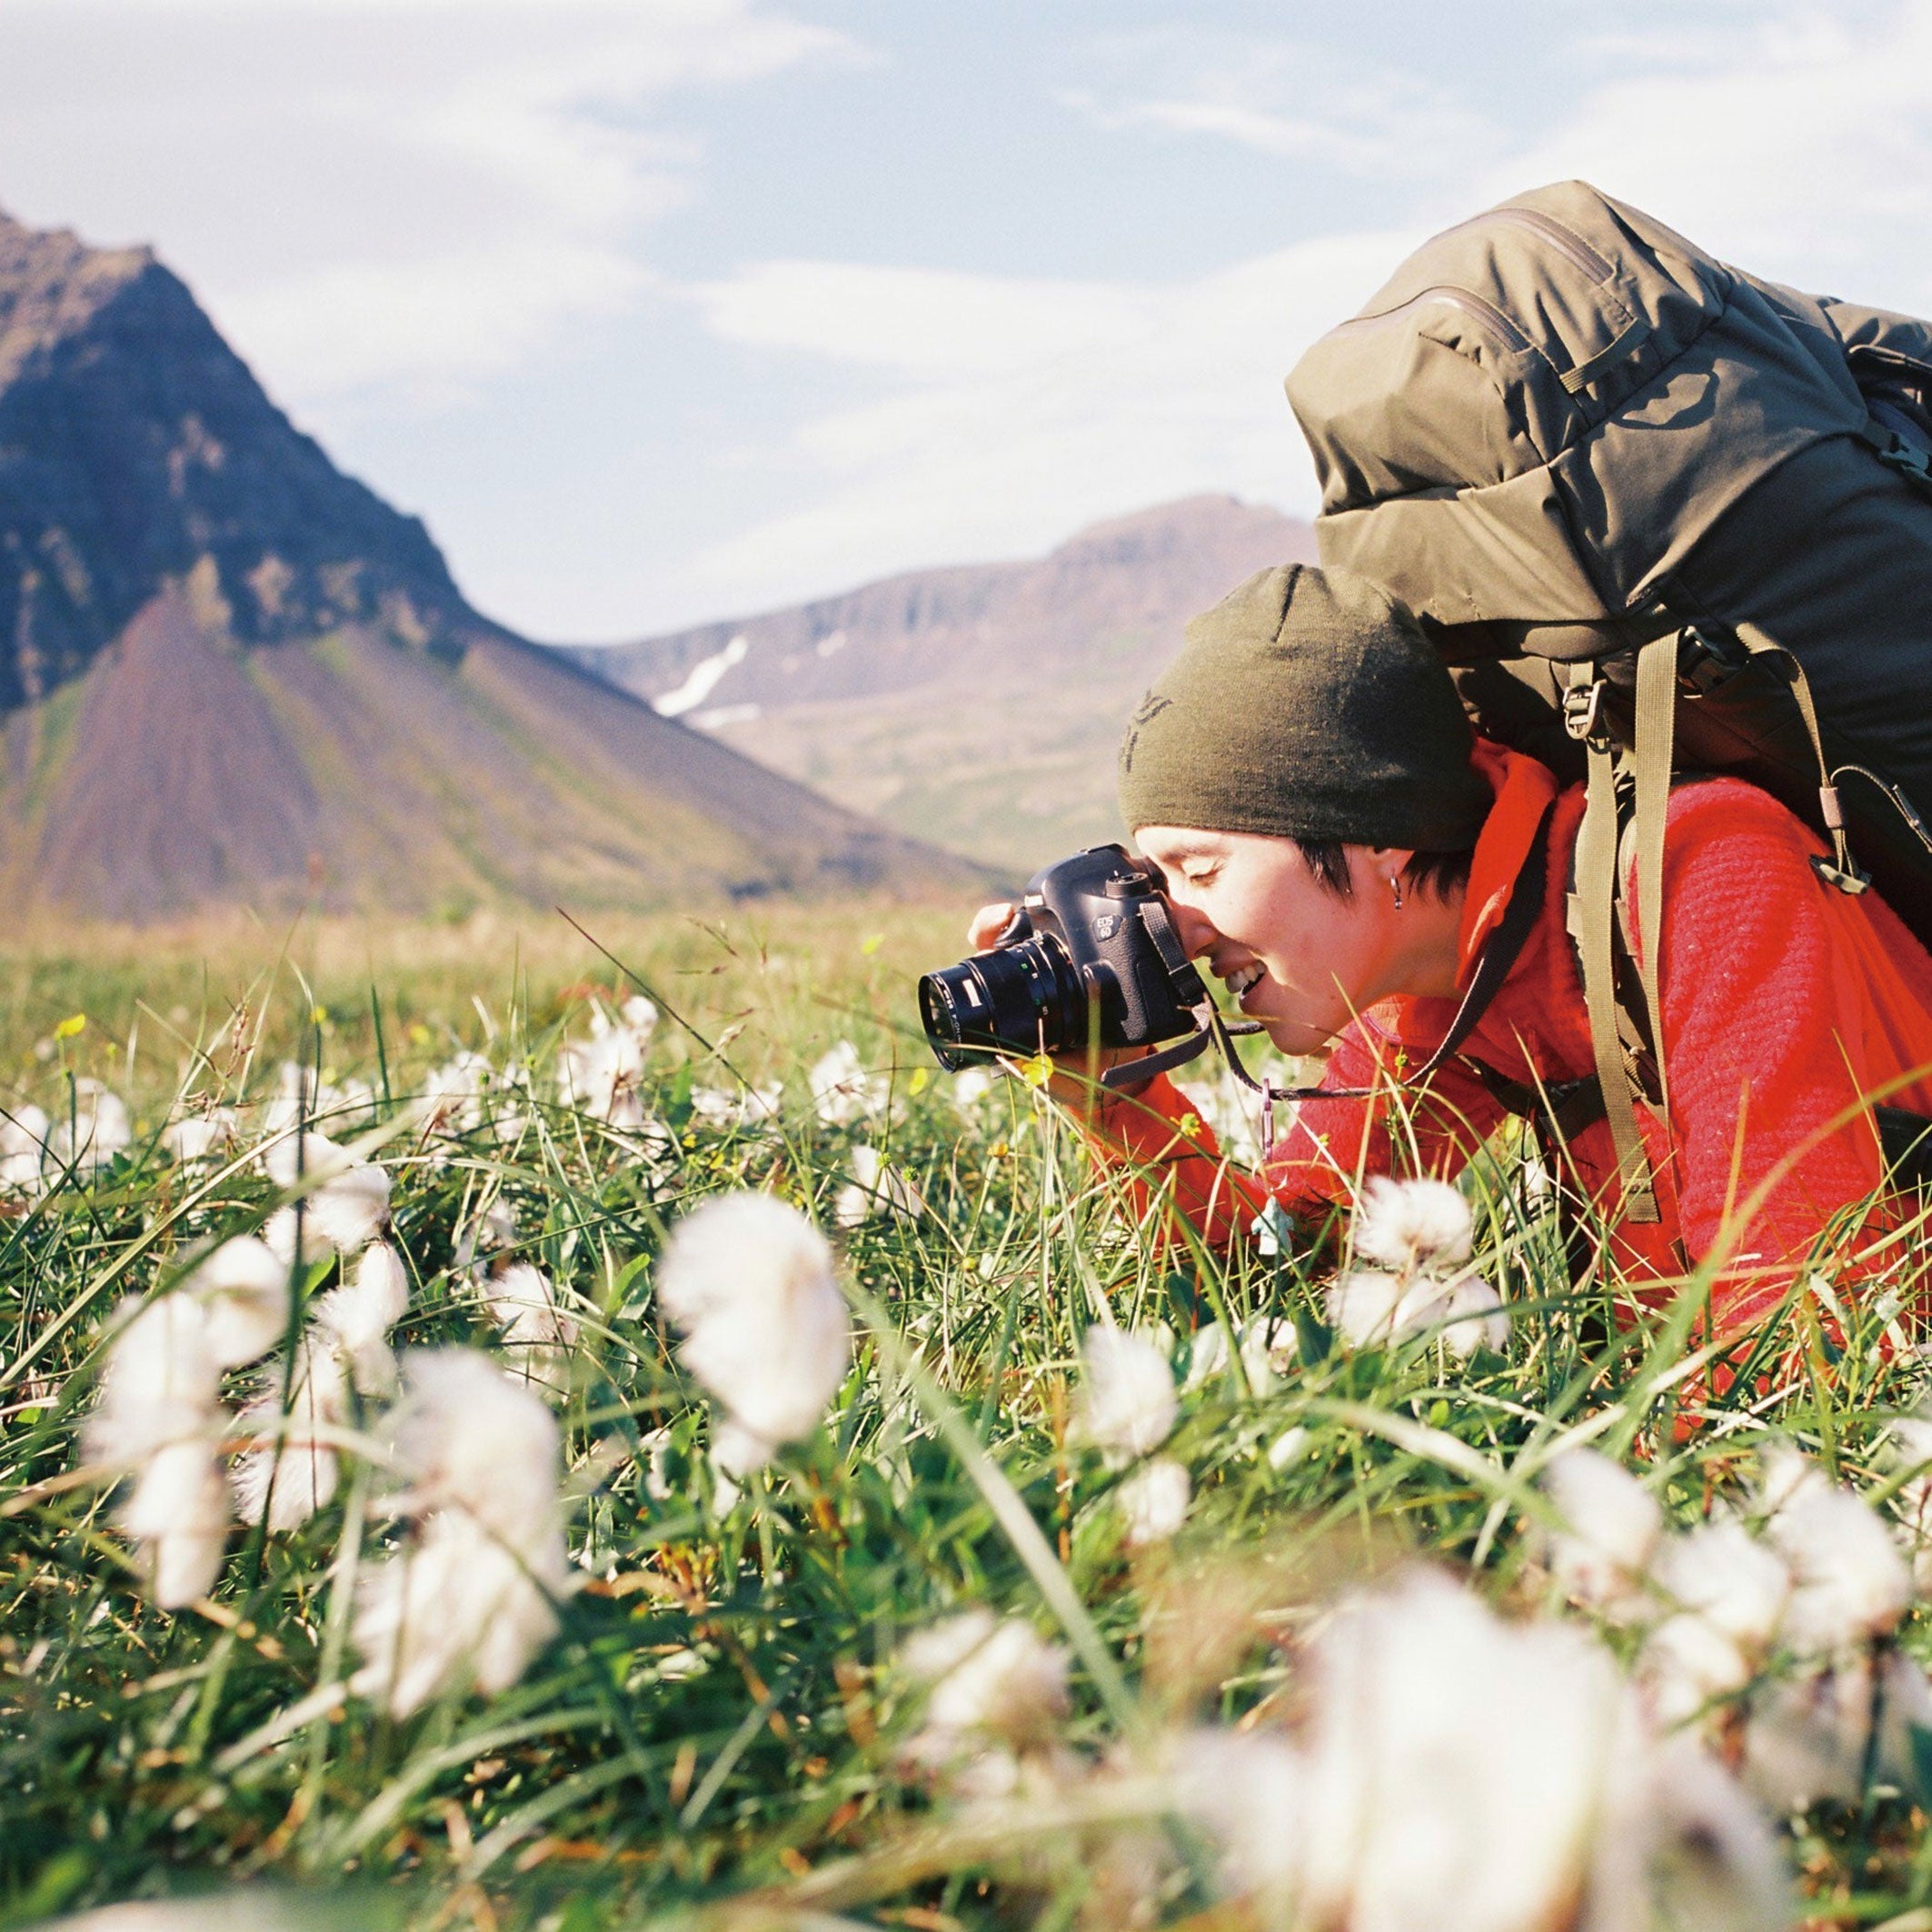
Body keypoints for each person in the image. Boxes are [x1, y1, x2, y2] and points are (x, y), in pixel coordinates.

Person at [963, 563, 1932, 1333]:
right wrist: (1108, 1090)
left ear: (1368, 827)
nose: (1181, 928)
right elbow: (1275, 1261)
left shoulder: (1704, 870)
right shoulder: (1421, 994)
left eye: (1202, 871)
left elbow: (1804, 1317)